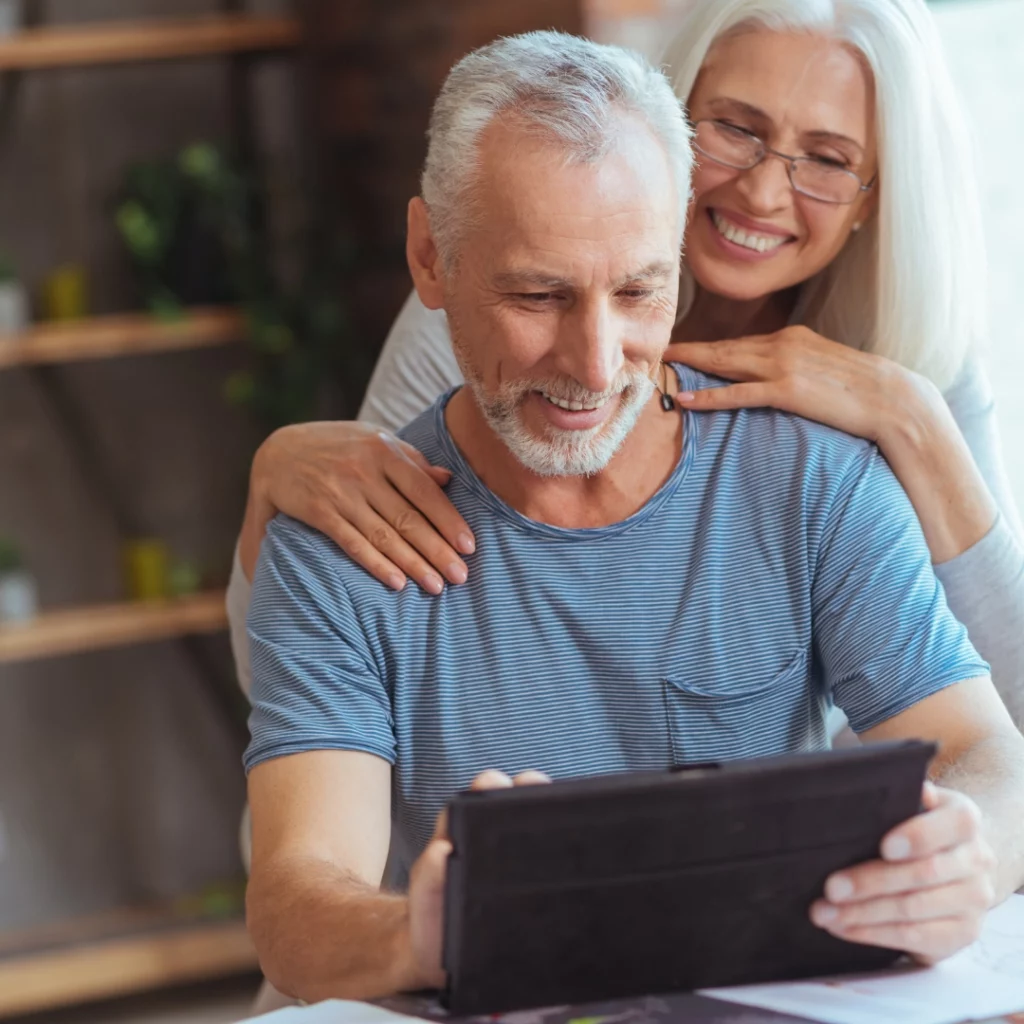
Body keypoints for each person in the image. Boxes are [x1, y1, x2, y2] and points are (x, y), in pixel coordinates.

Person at [244, 31, 1024, 1004]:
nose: (596, 361)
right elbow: (294, 894)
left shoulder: (816, 472)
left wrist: (966, 851)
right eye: (538, 295)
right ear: (429, 259)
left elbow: (992, 750)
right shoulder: (349, 530)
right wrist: (418, 930)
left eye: (640, 290)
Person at [226, 0, 1024, 728]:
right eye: (736, 128)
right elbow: (325, 647)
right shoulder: (489, 302)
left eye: (826, 158)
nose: (763, 192)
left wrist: (914, 420)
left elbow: (1011, 718)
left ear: (874, 197)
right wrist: (273, 477)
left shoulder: (916, 360)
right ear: (671, 119)